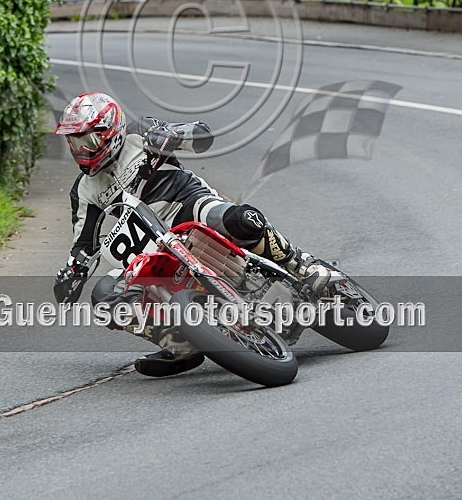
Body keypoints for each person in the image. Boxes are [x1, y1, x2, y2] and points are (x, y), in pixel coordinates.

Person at [54, 93, 334, 377]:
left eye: (87, 141)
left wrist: (170, 135)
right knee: (105, 295)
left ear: (110, 131)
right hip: (151, 244)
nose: (82, 151)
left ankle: (299, 264)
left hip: (189, 206)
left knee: (242, 219)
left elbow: (201, 135)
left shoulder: (140, 132)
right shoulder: (83, 189)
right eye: (75, 143)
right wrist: (72, 273)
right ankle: (179, 342)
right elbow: (83, 242)